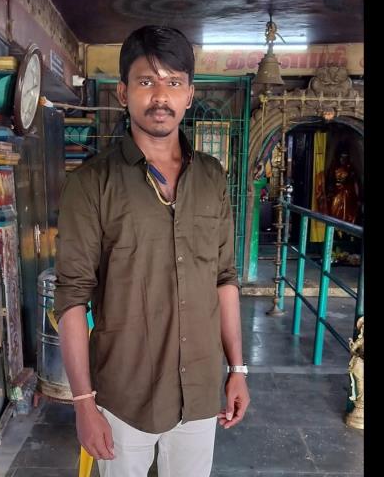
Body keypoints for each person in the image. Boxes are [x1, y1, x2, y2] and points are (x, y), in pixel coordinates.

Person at [54, 25, 250, 477]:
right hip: (125, 396)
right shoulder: (92, 183)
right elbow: (72, 297)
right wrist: (83, 404)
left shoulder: (212, 178)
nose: (161, 96)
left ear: (189, 94)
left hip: (200, 390)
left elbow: (224, 278)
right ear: (124, 92)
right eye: (147, 81)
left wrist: (237, 368)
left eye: (174, 82)